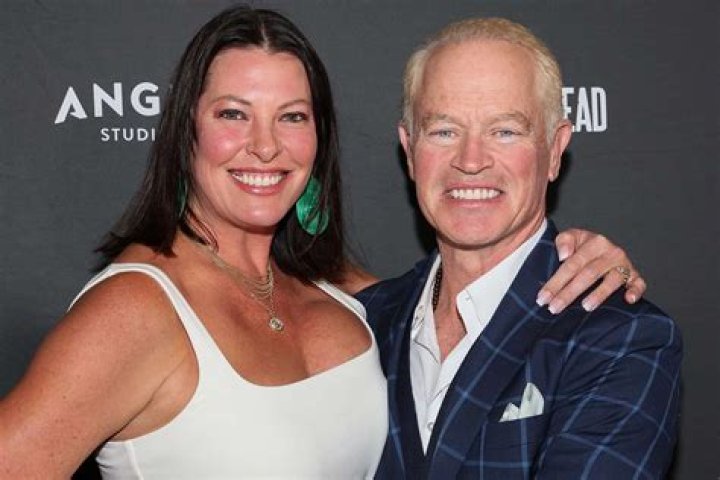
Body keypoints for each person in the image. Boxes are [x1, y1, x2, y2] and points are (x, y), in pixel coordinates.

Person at [0, 7, 647, 479]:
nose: (264, 146)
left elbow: (473, 296)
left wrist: (580, 256)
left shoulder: (348, 299)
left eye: (291, 117)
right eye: (233, 114)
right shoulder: (134, 309)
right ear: (185, 131)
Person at [357, 17, 681, 479]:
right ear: (409, 150)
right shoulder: (364, 323)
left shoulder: (621, 338)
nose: (471, 160)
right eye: (444, 131)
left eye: (505, 131)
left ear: (555, 149)